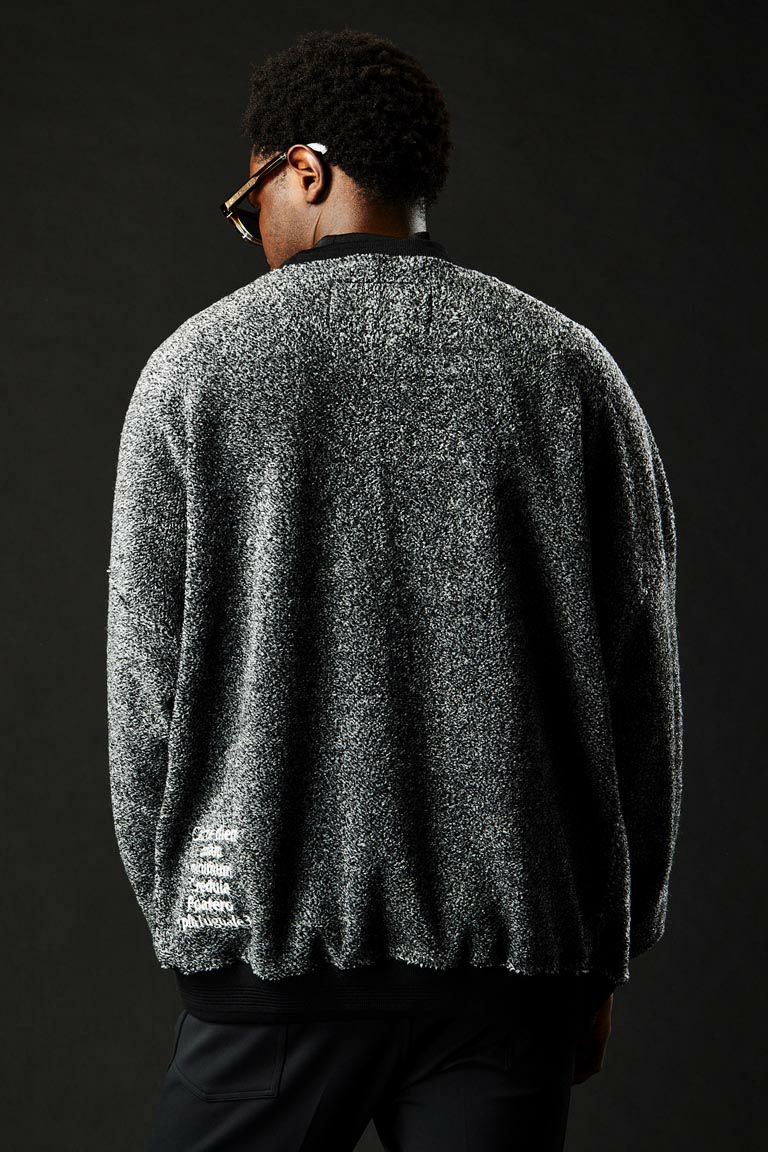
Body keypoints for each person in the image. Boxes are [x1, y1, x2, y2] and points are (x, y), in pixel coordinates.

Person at [106, 26, 683, 1152]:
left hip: (267, 967)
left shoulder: (194, 374)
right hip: (512, 978)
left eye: (250, 205)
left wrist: (196, 924)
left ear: (304, 170)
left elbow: (144, 696)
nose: (253, 233)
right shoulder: (569, 369)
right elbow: (641, 695)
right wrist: (605, 947)